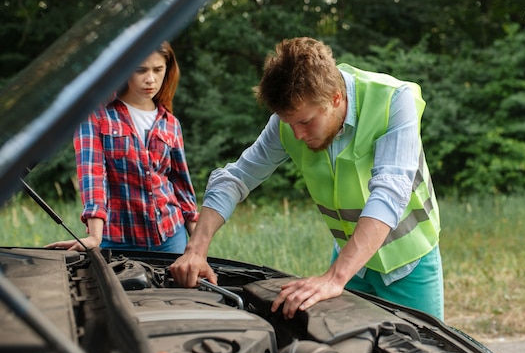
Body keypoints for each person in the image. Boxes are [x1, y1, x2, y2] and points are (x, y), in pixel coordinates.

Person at [169, 37, 444, 319]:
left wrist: (335, 278)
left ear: (336, 97)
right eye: (290, 123)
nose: (297, 135)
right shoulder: (289, 119)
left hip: (408, 263)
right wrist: (196, 250)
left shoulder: (394, 100)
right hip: (352, 261)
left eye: (305, 122)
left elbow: (389, 193)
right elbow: (236, 177)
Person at [46, 41, 198, 253]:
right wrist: (94, 236)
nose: (150, 79)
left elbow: (181, 186)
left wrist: (198, 245)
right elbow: (93, 174)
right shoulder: (96, 115)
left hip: (171, 237)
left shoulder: (171, 123)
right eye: (141, 70)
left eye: (158, 70)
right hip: (117, 240)